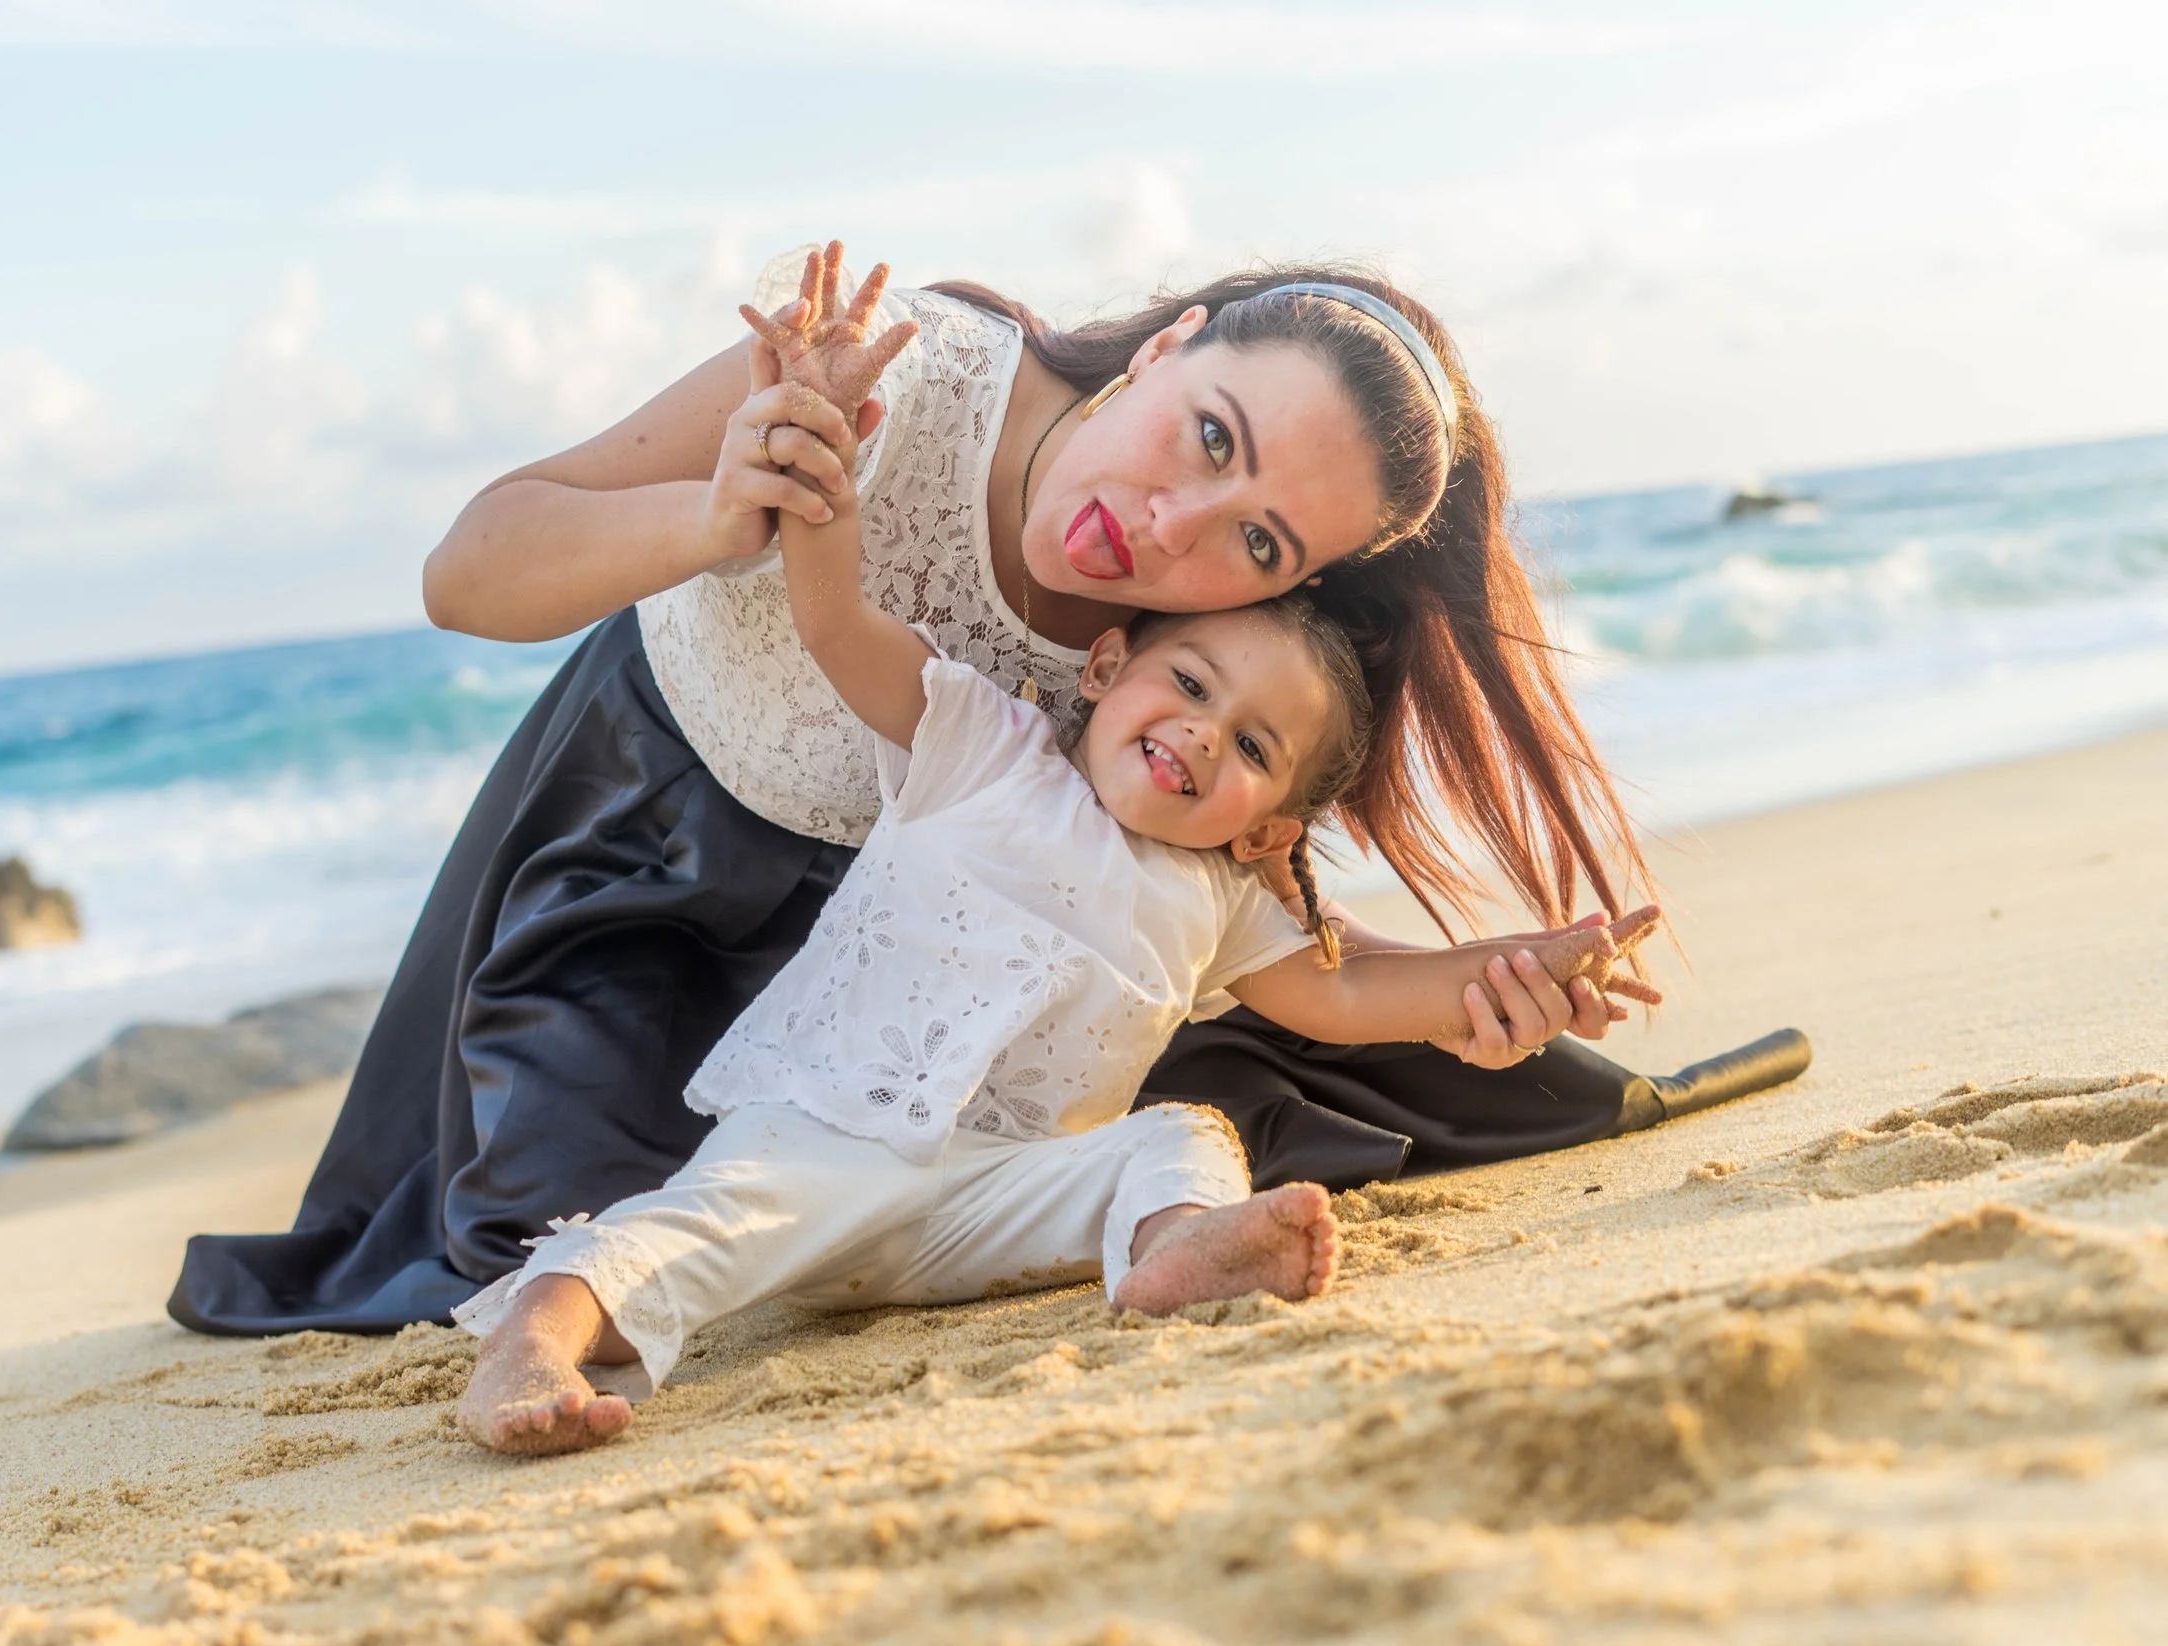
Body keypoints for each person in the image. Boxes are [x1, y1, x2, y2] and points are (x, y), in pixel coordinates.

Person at [168, 243, 1806, 1338]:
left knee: (1239, 1097)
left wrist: (1470, 992)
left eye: (1259, 540)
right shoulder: (913, 375)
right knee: (553, 1247)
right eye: (1207, 430)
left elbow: (1220, 900)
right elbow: (469, 569)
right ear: (1167, 346)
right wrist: (717, 510)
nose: (1171, 521)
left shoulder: (1182, 638)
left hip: (917, 957)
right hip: (639, 869)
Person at [453, 416, 1661, 1450]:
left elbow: (1349, 999)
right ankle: (535, 1348)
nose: (1199, 735)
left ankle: (1176, 1257)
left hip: (991, 1201)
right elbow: (833, 622)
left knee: (1178, 1135)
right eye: (1188, 686)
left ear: (1268, 826)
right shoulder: (980, 748)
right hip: (825, 1136)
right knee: (683, 1234)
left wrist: (1532, 967)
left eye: (1249, 747)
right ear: (1105, 660)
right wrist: (817, 455)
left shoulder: (1226, 902)